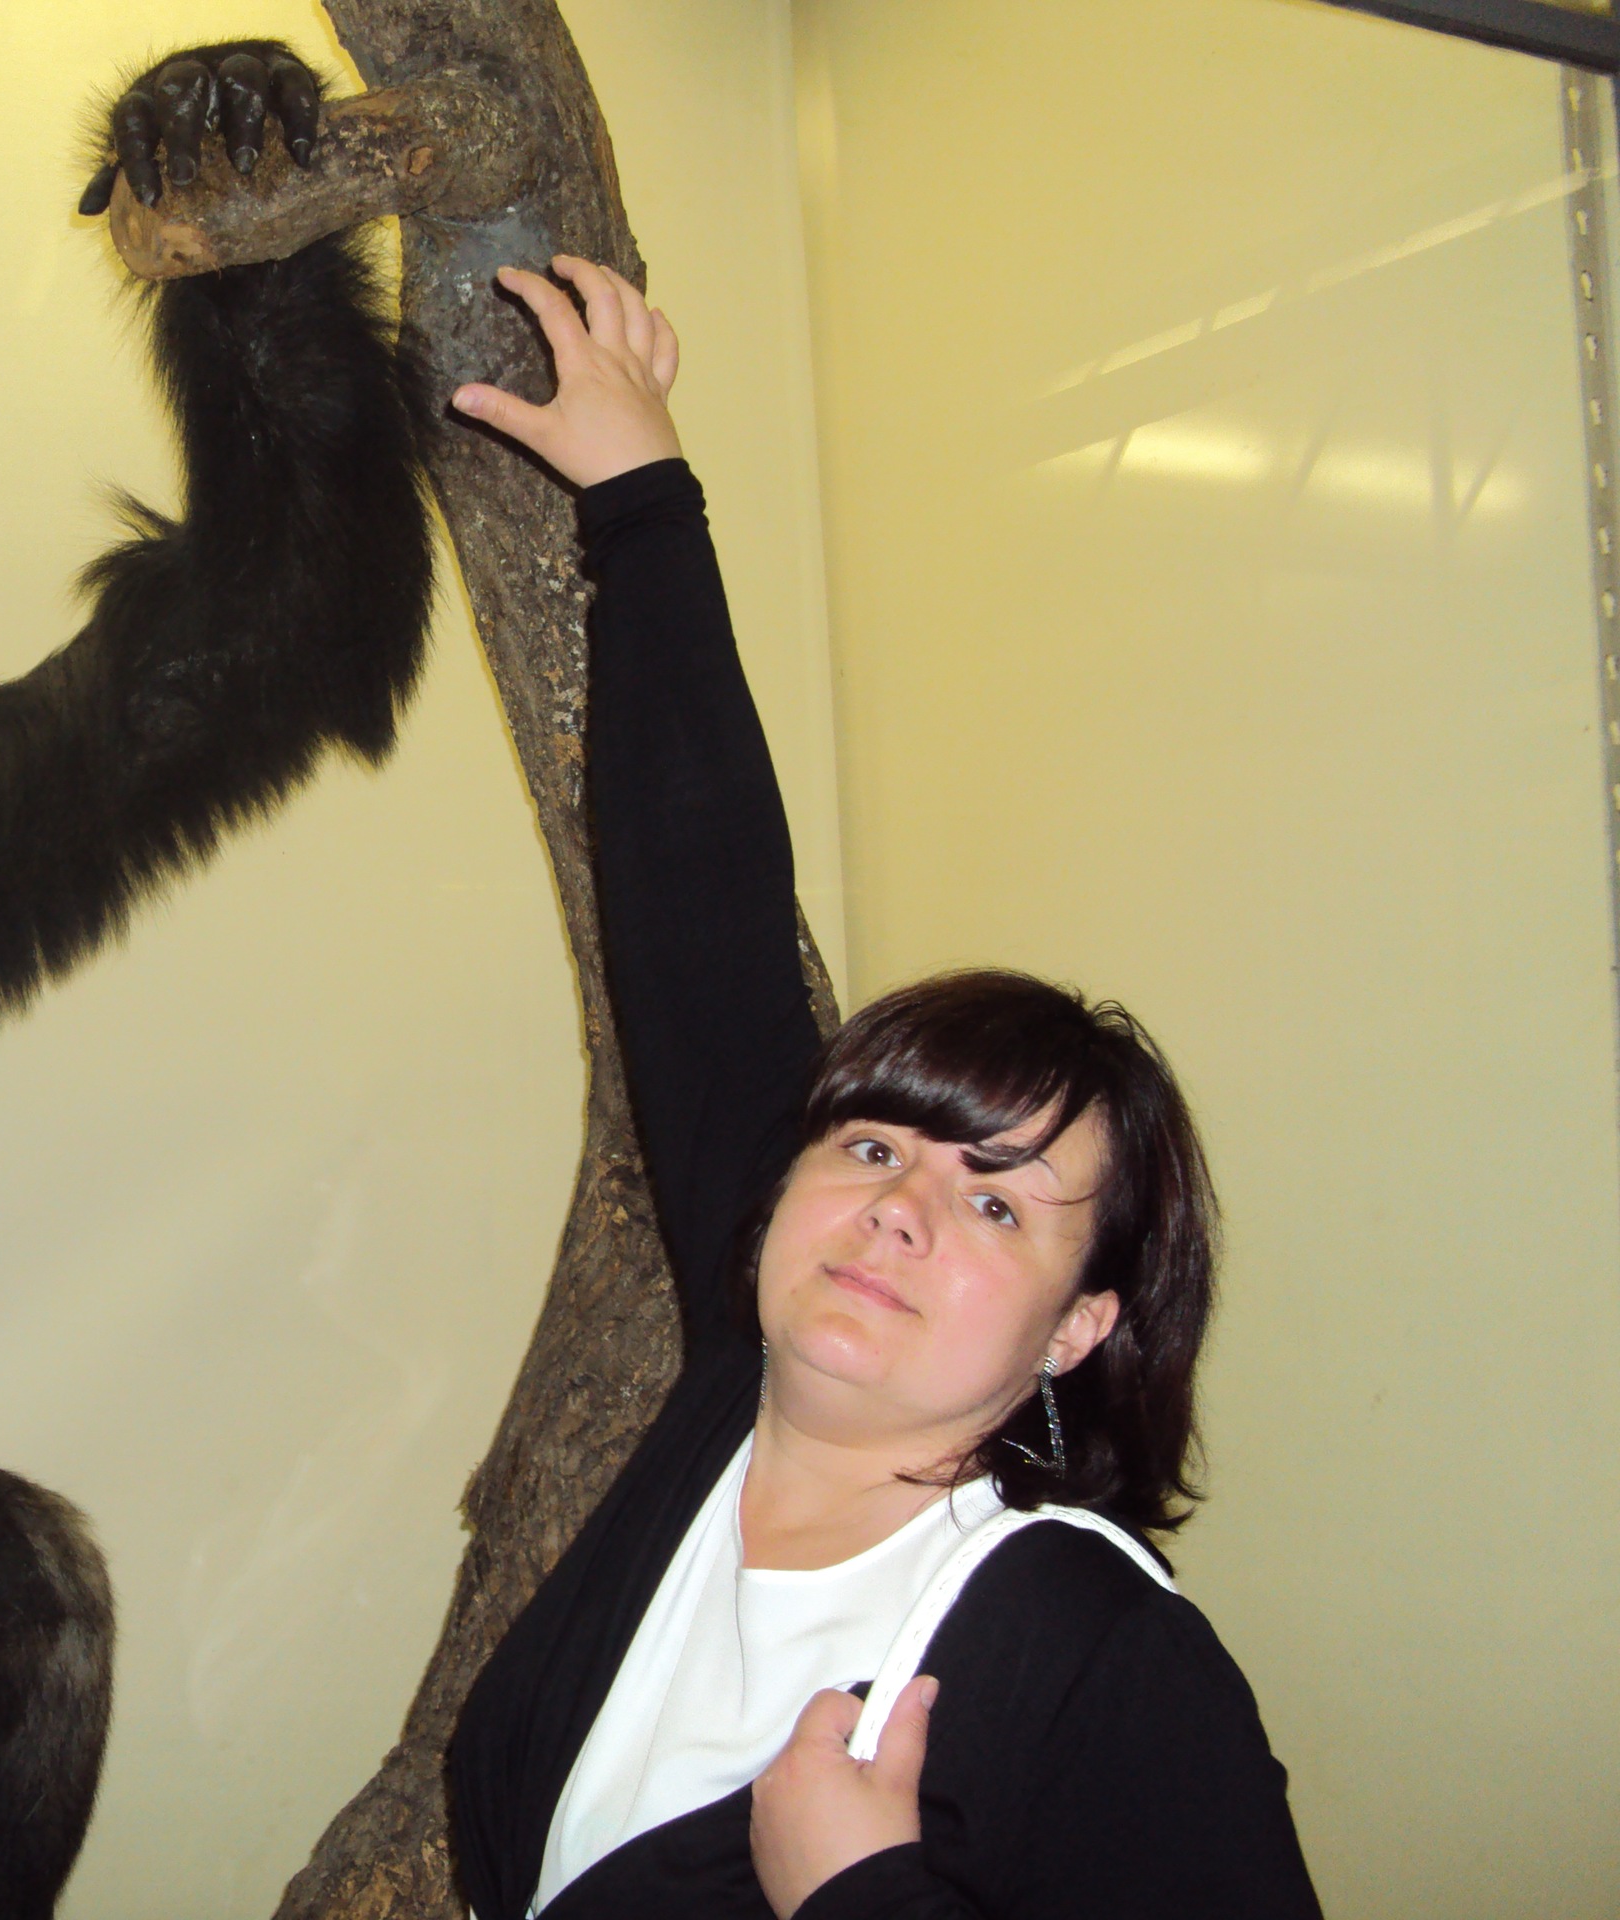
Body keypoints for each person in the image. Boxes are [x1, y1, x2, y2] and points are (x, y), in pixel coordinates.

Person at [441, 259, 1320, 1920]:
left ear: (1079, 1327)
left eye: (996, 1202)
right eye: (872, 1145)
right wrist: (641, 492)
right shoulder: (729, 1409)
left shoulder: (1091, 1655)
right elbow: (701, 919)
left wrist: (863, 1901)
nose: (903, 1208)